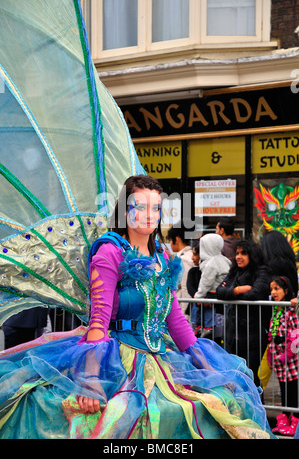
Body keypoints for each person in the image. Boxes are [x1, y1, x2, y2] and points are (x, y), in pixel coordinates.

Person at [0, 175, 275, 439]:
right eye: (139, 207)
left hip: (160, 360)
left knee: (216, 403)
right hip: (116, 361)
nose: (148, 215)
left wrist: (209, 368)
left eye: (155, 207)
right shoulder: (110, 251)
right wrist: (91, 380)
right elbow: (99, 320)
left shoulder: (162, 256)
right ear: (124, 212)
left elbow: (175, 320)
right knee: (113, 420)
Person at [216, 239, 272, 386]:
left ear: (252, 255)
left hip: (252, 333)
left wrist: (231, 294)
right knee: (234, 375)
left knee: (250, 376)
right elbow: (219, 291)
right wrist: (237, 290)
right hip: (233, 334)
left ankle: (256, 407)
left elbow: (256, 293)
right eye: (237, 253)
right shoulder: (235, 271)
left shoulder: (262, 271)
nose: (239, 257)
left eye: (243, 253)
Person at [258, 230, 298, 388]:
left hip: (278, 319)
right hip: (287, 317)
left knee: (264, 369)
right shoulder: (289, 262)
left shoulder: (273, 265)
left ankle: (255, 398)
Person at [267, 276, 299, 436]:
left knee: (293, 390)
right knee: (284, 390)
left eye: (277, 289)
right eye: (272, 289)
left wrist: (288, 353)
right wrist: (270, 355)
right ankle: (285, 418)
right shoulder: (277, 309)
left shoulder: (290, 310)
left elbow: (295, 334)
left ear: (286, 291)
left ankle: (295, 420)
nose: (273, 292)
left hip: (290, 361)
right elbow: (272, 334)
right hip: (279, 360)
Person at [193, 234, 231, 338]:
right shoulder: (225, 260)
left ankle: (198, 327)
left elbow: (206, 282)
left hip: (212, 295)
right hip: (222, 295)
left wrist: (198, 296)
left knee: (200, 307)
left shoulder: (211, 263)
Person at [167, 222, 193, 319]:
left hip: (182, 310)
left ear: (176, 239)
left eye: (170, 240)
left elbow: (186, 289)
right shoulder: (189, 256)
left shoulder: (184, 260)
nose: (170, 243)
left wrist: (184, 316)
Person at [186, 241, 202, 335]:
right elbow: (189, 288)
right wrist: (198, 298)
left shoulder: (211, 269)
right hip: (194, 310)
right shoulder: (193, 271)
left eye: (195, 254)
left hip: (212, 312)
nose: (192, 258)